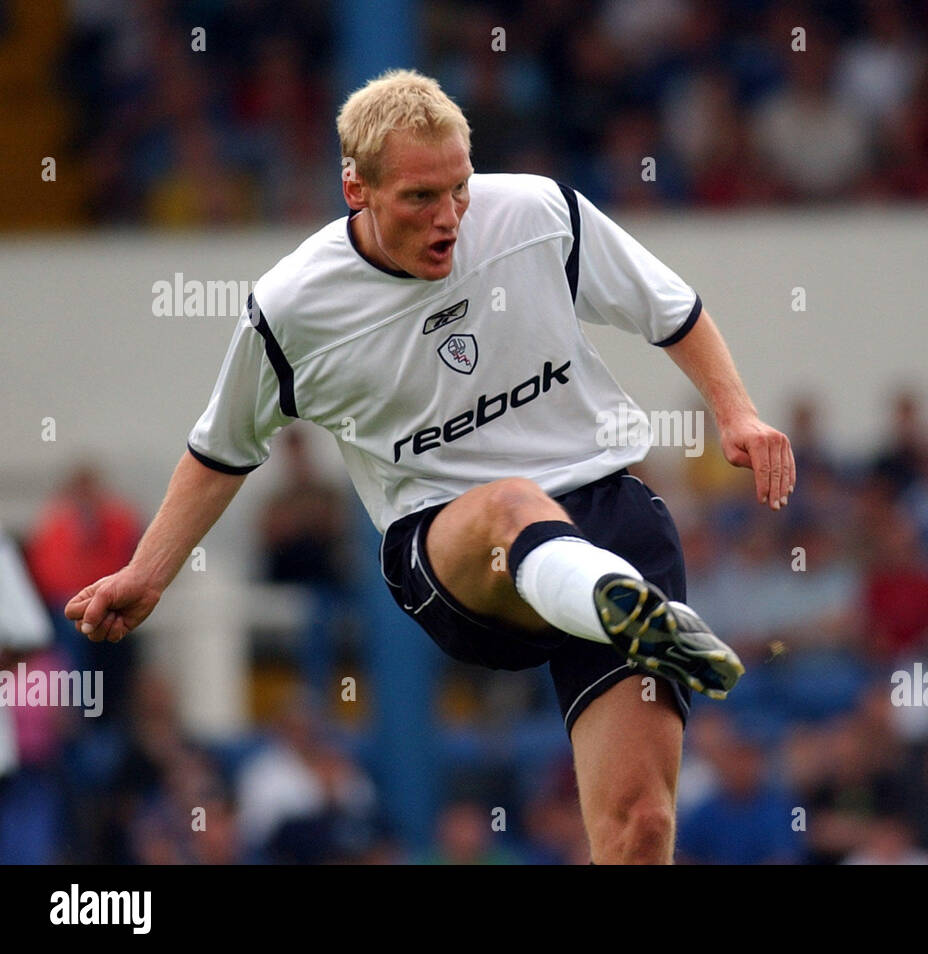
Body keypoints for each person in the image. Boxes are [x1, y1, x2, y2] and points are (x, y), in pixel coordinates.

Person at [64, 69, 795, 864]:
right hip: (451, 548)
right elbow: (221, 452)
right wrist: (148, 574)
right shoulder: (294, 307)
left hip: (606, 510)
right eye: (419, 198)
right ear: (357, 188)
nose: (449, 217)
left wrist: (738, 412)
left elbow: (671, 309)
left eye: (459, 190)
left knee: (640, 828)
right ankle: (619, 605)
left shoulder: (536, 214)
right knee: (512, 505)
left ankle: (620, 607)